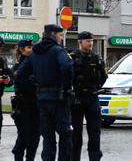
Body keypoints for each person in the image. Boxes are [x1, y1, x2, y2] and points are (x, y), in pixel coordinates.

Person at [15, 24, 73, 161]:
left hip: (41, 100)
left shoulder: (34, 53)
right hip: (59, 99)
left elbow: (20, 75)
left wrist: (35, 84)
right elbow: (66, 67)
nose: (61, 38)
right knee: (65, 135)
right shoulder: (58, 50)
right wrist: (67, 86)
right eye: (59, 35)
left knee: (48, 137)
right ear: (52, 34)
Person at [70, 31, 108, 161]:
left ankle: (94, 158)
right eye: (87, 41)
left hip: (92, 97)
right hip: (77, 98)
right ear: (80, 42)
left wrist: (95, 88)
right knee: (75, 132)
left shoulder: (96, 58)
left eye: (91, 41)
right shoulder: (72, 57)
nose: (90, 43)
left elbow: (103, 77)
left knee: (94, 131)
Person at [11, 39, 40, 161]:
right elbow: (24, 84)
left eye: (32, 47)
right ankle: (18, 157)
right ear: (21, 50)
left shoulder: (36, 64)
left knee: (35, 136)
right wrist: (35, 82)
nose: (31, 50)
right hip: (23, 104)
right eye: (28, 47)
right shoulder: (19, 66)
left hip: (36, 104)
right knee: (24, 135)